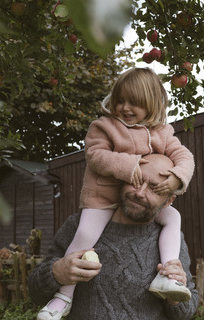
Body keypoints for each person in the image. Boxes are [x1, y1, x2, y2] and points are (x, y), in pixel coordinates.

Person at [36, 67, 195, 319]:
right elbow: (95, 155)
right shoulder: (105, 126)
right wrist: (57, 273)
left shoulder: (162, 132)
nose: (124, 107)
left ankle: (167, 277)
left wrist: (178, 175)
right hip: (101, 199)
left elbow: (184, 155)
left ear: (152, 105)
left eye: (135, 103)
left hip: (169, 268)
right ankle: (64, 296)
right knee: (86, 235)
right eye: (120, 100)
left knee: (174, 218)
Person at [28, 154, 199, 320]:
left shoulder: (170, 239)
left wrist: (175, 298)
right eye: (136, 180)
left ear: (169, 201)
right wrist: (56, 273)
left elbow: (186, 312)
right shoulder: (80, 226)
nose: (140, 192)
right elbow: (35, 292)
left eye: (155, 188)